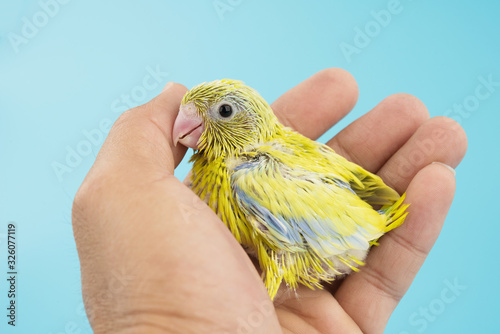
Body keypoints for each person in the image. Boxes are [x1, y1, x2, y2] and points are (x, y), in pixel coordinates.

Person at [72, 68, 467, 334]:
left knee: (251, 188)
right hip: (337, 234)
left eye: (223, 112)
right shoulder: (222, 174)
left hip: (342, 234)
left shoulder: (249, 174)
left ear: (247, 121)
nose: (188, 122)